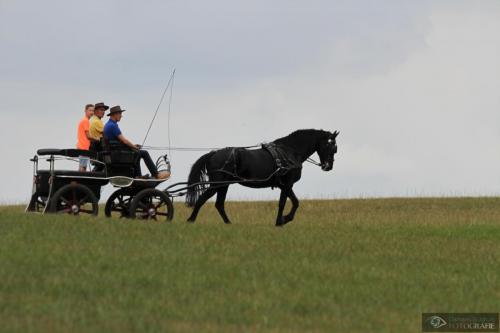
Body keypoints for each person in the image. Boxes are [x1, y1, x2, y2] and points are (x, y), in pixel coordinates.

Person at [103, 105, 170, 180]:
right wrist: (133, 147)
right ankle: (156, 174)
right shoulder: (112, 126)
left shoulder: (108, 124)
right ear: (115, 114)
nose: (121, 116)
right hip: (117, 153)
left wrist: (133, 146)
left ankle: (138, 175)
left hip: (115, 150)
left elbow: (118, 141)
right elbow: (124, 141)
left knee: (137, 153)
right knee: (144, 153)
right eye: (120, 114)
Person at [76, 104, 94, 171]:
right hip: (83, 147)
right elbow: (88, 136)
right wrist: (97, 139)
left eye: (92, 111)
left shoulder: (85, 120)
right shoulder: (86, 121)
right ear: (85, 111)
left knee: (82, 166)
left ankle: (78, 180)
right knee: (83, 167)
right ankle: (79, 180)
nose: (91, 112)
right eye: (90, 110)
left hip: (82, 146)